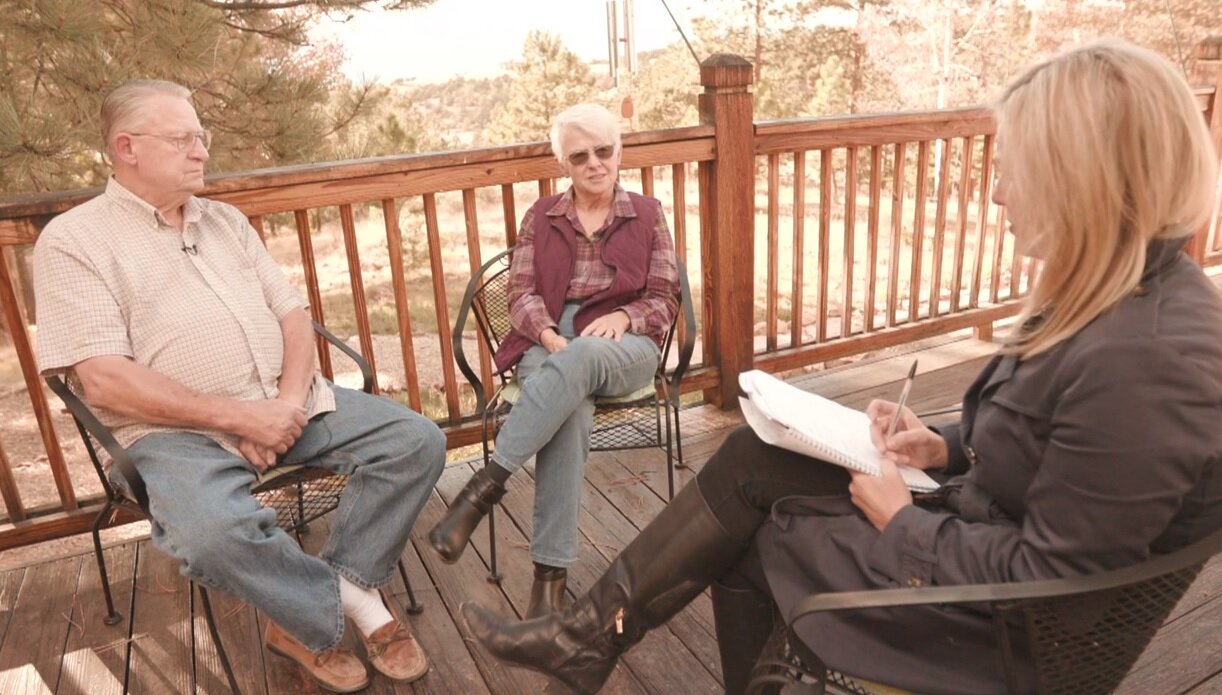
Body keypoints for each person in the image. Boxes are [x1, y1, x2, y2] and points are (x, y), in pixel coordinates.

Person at [457, 39, 1222, 695]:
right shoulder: (1113, 293)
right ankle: (588, 634)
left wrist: (904, 523)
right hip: (972, 536)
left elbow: (1057, 588)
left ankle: (612, 641)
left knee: (760, 533)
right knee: (755, 457)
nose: (995, 194)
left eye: (1013, 170)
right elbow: (1051, 443)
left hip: (992, 630)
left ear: (1082, 178)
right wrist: (942, 444)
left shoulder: (1148, 362)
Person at [33, 80, 446, 694]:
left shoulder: (224, 220)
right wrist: (239, 419)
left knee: (416, 441)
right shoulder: (74, 241)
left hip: (286, 402)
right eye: (183, 139)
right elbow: (104, 380)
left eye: (201, 136)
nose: (201, 151)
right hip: (172, 435)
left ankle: (316, 601)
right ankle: (344, 612)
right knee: (210, 536)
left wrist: (283, 406)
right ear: (127, 148)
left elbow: (293, 318)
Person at [428, 102, 680, 618]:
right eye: (579, 155)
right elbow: (520, 293)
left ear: (619, 152)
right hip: (548, 340)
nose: (594, 163)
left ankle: (484, 488)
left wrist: (626, 316)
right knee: (572, 409)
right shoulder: (540, 216)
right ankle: (549, 585)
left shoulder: (648, 214)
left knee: (584, 356)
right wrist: (545, 333)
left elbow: (664, 296)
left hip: (626, 344)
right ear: (563, 163)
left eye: (603, 151)